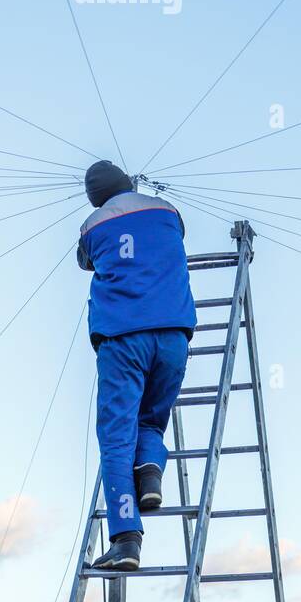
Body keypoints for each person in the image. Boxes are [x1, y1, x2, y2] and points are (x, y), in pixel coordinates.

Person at [77, 160, 197, 571]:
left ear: (95, 196)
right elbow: (173, 236)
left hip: (123, 338)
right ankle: (150, 475)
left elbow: (84, 261)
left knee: (116, 438)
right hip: (174, 336)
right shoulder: (168, 212)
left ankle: (126, 539)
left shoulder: (92, 226)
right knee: (151, 421)